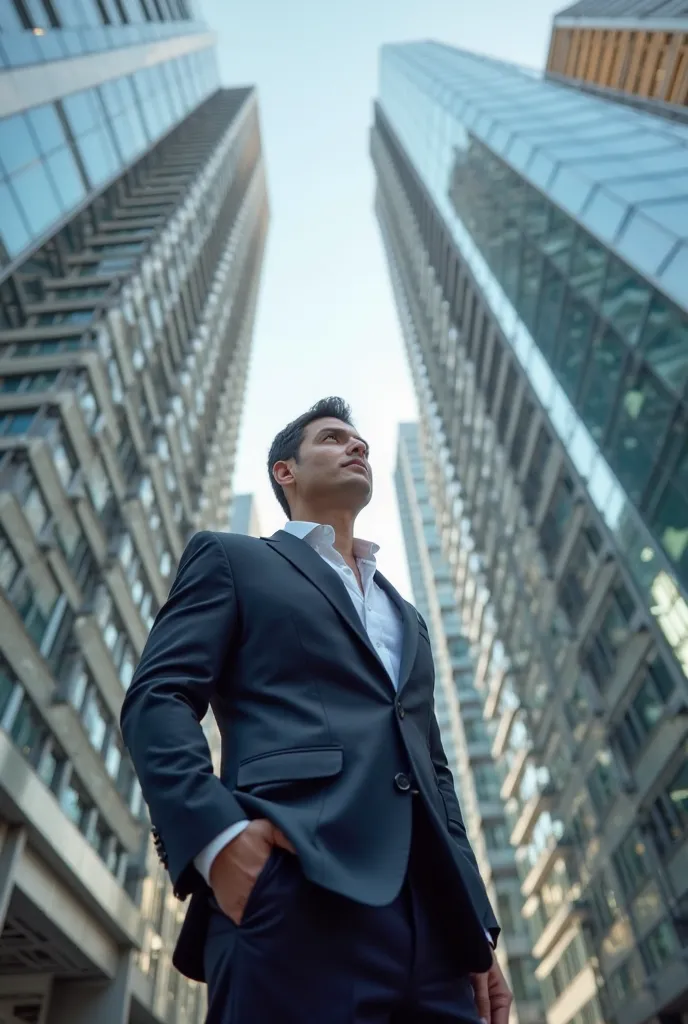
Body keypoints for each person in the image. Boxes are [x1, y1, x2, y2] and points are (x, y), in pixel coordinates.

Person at [121, 397, 512, 1023]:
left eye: (361, 443)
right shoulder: (233, 558)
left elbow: (435, 774)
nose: (357, 447)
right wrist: (218, 841)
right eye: (334, 439)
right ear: (286, 471)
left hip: (436, 934)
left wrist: (476, 929)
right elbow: (156, 698)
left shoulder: (406, 616)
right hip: (294, 893)